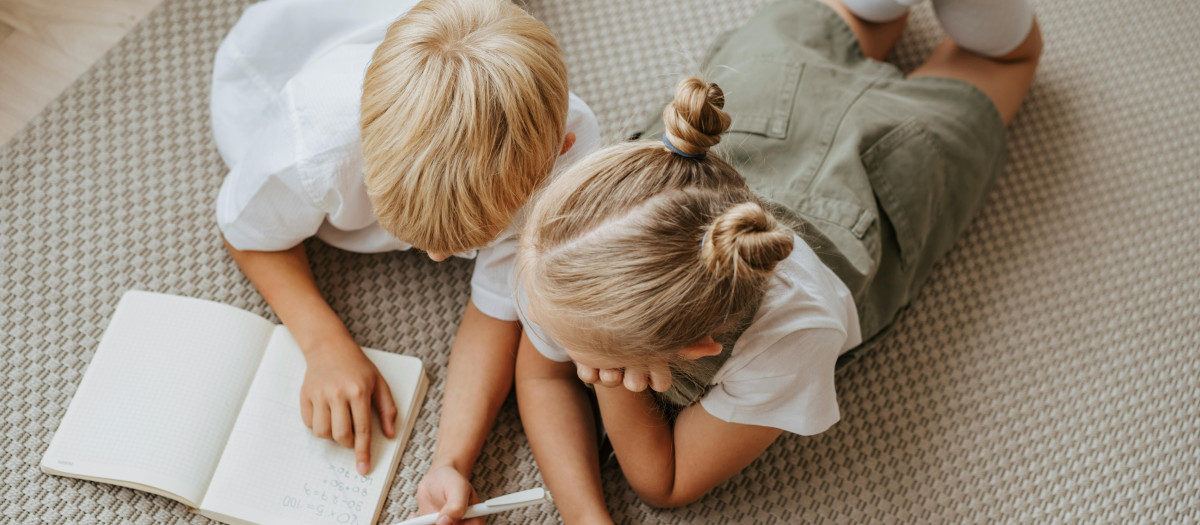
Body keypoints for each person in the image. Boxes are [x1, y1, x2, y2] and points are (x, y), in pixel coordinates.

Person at [513, 0, 1041, 519]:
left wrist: (613, 383)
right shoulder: (561, 259)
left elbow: (665, 482)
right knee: (849, 20)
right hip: (770, 94)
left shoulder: (791, 339)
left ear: (699, 347)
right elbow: (540, 379)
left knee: (1002, 60)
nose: (534, 322)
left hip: (877, 178)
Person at [210, 0, 599, 521]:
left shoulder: (569, 156)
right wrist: (324, 343)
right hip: (286, 47)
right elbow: (246, 231)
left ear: (558, 153)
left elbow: (497, 310)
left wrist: (451, 461)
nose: (438, 257)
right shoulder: (316, 144)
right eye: (413, 234)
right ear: (365, 157)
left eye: (461, 242)